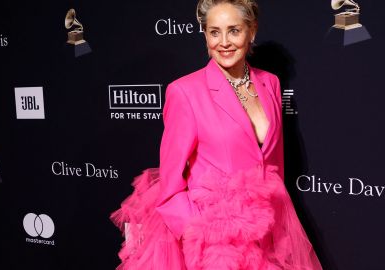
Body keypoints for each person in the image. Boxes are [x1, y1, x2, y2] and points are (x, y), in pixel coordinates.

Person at [111, 0, 323, 269]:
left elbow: (273, 164)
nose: (224, 42)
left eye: (233, 30)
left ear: (252, 31)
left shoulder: (270, 83)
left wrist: (277, 224)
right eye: (214, 32)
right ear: (205, 35)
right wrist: (198, 235)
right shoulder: (186, 92)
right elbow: (170, 183)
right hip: (214, 244)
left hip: (268, 231)